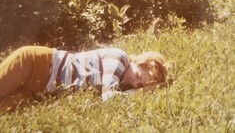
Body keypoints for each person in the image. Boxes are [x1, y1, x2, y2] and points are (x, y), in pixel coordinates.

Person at [0, 46, 168, 111]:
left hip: (37, 88)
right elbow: (108, 98)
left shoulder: (120, 84)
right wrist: (142, 93)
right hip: (36, 64)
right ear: (139, 62)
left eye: (139, 85)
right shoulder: (119, 59)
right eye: (138, 75)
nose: (135, 83)